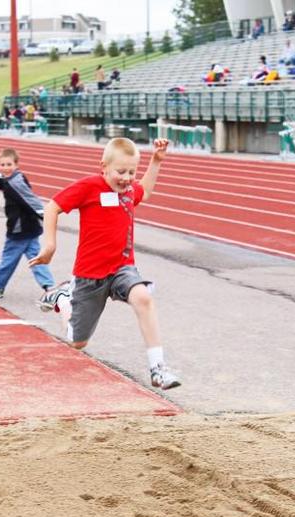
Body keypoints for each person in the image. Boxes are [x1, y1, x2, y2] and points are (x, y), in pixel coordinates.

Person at [29, 137, 181, 390]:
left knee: (143, 297)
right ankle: (62, 299)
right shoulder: (90, 187)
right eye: (121, 172)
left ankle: (158, 368)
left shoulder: (130, 191)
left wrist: (155, 161)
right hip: (89, 275)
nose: (127, 178)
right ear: (104, 167)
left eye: (131, 172)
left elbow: (146, 189)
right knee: (77, 342)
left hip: (122, 268)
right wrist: (50, 245)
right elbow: (52, 207)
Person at [0, 148, 55, 298]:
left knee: (8, 259)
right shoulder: (11, 179)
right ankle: (50, 288)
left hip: (19, 230)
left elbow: (31, 200)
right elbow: (2, 183)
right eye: (2, 164)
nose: (5, 168)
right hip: (30, 229)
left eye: (9, 164)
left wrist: (45, 215)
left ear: (16, 165)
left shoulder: (17, 182)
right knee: (37, 259)